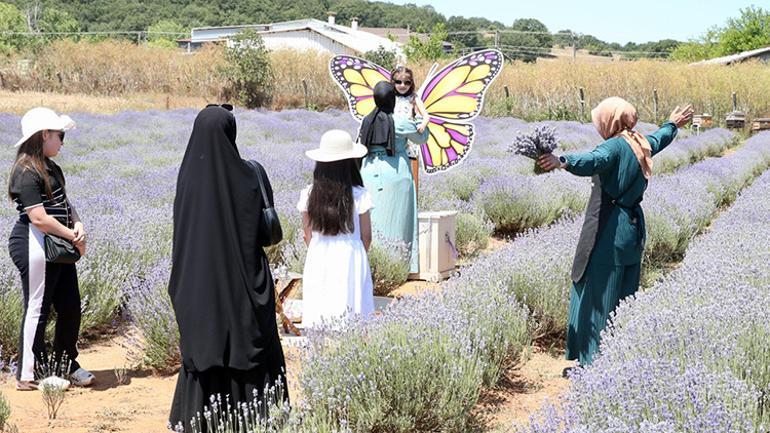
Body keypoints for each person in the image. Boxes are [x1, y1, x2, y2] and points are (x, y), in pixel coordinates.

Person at [538, 97, 694, 368]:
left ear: (608, 120)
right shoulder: (638, 142)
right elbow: (659, 139)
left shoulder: (614, 146)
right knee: (624, 296)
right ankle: (617, 357)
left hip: (608, 231)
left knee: (599, 295)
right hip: (632, 230)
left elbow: (594, 159)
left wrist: (562, 160)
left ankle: (594, 364)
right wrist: (672, 124)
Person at [168, 105, 288, 431]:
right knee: (252, 351)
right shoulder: (251, 174)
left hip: (198, 286)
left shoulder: (186, 179)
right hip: (244, 287)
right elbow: (267, 233)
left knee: (206, 352)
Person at [8, 107, 94, 390]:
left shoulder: (51, 166)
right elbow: (38, 218)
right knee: (37, 309)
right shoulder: (25, 171)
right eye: (59, 135)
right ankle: (29, 375)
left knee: (70, 307)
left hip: (57, 244)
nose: (62, 141)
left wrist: (78, 224)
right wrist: (72, 235)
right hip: (35, 243)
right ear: (44, 135)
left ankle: (64, 363)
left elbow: (64, 203)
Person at [298, 129, 374, 327]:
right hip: (351, 254)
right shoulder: (359, 194)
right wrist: (358, 253)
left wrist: (320, 249)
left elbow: (307, 235)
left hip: (319, 252)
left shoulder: (309, 194)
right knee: (352, 314)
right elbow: (366, 236)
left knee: (321, 310)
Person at [359, 81, 429, 274]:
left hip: (368, 172)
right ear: (393, 99)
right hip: (395, 173)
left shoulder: (366, 120)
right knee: (398, 220)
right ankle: (398, 268)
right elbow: (421, 138)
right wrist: (422, 116)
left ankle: (373, 266)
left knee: (372, 221)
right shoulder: (399, 121)